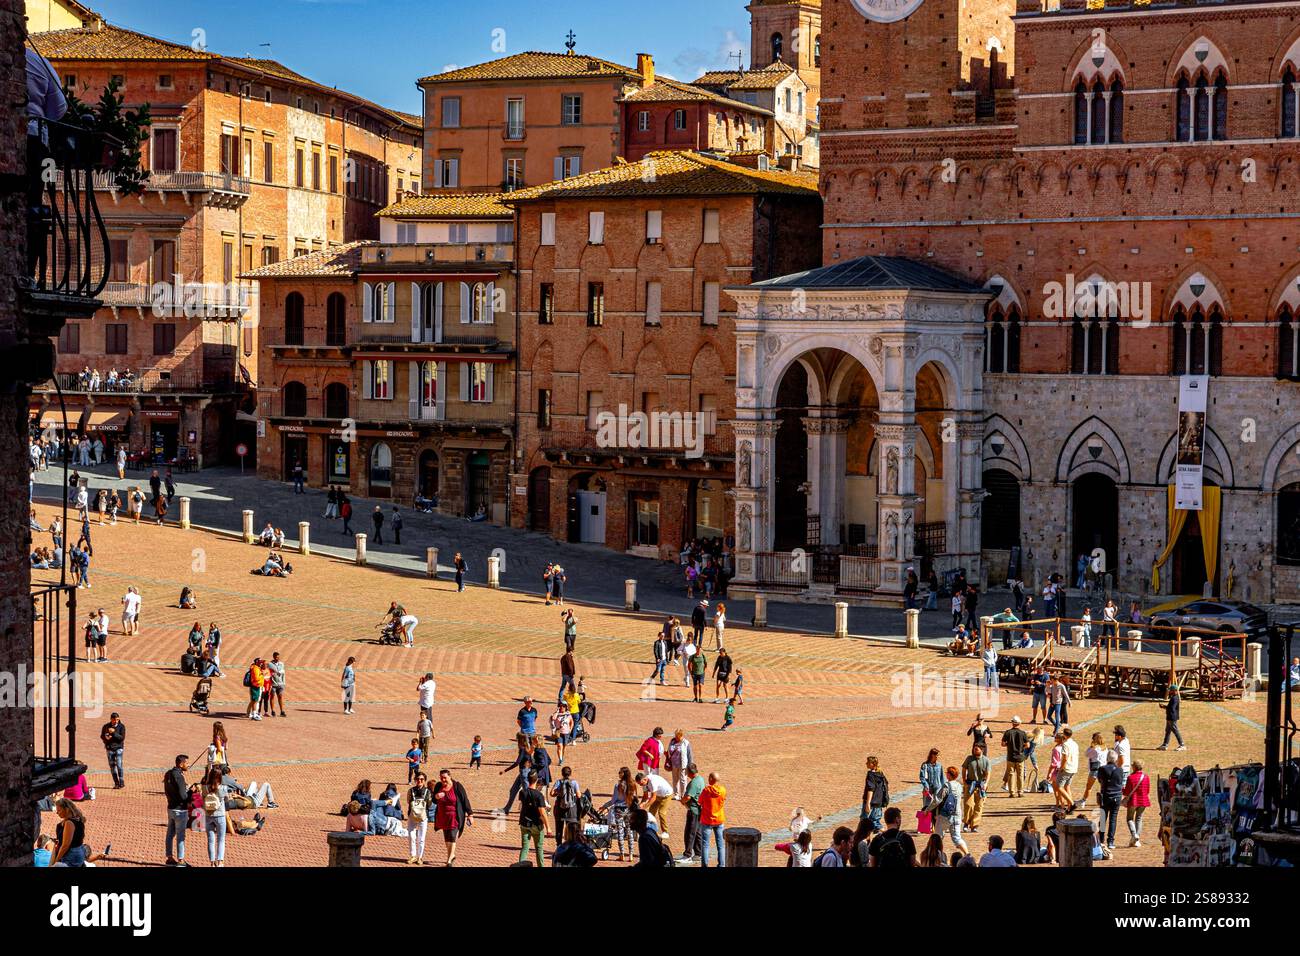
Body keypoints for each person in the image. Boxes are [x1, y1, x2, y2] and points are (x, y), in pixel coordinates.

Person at [430, 767, 473, 866]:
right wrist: (436, 797)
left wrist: (470, 814)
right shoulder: (438, 786)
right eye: (441, 778)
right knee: (447, 838)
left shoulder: (457, 786)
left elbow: (465, 800)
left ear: (450, 776)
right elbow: (434, 800)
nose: (443, 780)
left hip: (454, 816)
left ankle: (449, 860)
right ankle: (452, 855)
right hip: (442, 816)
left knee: (453, 836)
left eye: (445, 777)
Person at [518, 771, 550, 867]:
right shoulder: (539, 795)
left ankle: (520, 866)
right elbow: (542, 813)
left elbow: (522, 805)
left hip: (524, 823)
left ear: (528, 779)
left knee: (524, 848)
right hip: (536, 825)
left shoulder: (522, 792)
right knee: (539, 849)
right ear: (536, 780)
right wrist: (548, 827)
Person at [1096, 749, 1125, 853]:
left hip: (1106, 795)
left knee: (1103, 818)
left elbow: (1099, 780)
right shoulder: (1120, 770)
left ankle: (1101, 840)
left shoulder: (1102, 769)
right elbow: (1121, 781)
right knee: (1113, 819)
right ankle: (1111, 842)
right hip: (1117, 795)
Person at [935, 765, 968, 853]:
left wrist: (927, 810)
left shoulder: (946, 785)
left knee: (937, 838)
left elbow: (937, 800)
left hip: (945, 815)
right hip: (957, 815)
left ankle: (938, 857)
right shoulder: (959, 786)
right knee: (957, 838)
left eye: (947, 773)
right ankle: (968, 854)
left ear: (949, 775)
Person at [637, 769, 674, 843]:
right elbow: (645, 796)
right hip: (658, 795)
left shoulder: (652, 782)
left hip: (666, 795)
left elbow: (653, 798)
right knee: (651, 813)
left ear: (645, 779)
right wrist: (641, 804)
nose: (641, 785)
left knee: (662, 812)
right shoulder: (644, 783)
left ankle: (665, 832)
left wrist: (644, 807)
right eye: (639, 784)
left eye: (641, 783)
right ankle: (650, 829)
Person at [698, 772, 727, 868]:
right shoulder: (722, 790)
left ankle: (705, 865)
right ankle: (721, 864)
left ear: (710, 779)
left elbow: (700, 801)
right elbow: (724, 799)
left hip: (707, 820)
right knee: (721, 844)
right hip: (719, 820)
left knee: (705, 845)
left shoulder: (706, 790)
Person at [201, 767, 229, 866]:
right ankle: (220, 861)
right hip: (220, 815)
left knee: (210, 840)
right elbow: (226, 800)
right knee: (221, 839)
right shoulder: (223, 788)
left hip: (208, 815)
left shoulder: (205, 787)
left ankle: (212, 863)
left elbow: (202, 798)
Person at [551, 764, 583, 844]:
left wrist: (559, 793)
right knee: (572, 828)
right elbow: (579, 795)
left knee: (559, 828)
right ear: (570, 773)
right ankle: (571, 844)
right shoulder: (574, 782)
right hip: (571, 809)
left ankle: (559, 845)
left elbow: (551, 793)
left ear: (562, 773)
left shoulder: (559, 782)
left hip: (560, 808)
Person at [1123, 759, 1151, 848]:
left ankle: (1134, 835)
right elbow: (1147, 790)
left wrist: (1121, 789)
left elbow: (1126, 792)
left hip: (1133, 801)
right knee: (1139, 818)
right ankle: (1137, 838)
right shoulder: (1146, 777)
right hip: (1143, 800)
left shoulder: (1130, 777)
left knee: (1129, 819)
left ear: (1134, 767)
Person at [961, 744, 989, 833]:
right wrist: (964, 780)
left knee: (979, 806)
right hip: (970, 785)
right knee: (968, 804)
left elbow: (988, 773)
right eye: (974, 749)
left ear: (982, 750)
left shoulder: (986, 760)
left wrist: (986, 784)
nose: (975, 750)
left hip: (980, 785)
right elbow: (964, 769)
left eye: (977, 749)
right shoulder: (969, 758)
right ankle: (966, 823)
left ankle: (975, 825)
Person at [406, 771, 432, 864]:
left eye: (422, 779)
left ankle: (420, 857)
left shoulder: (427, 792)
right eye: (417, 779)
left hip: (423, 816)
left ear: (424, 781)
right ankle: (413, 855)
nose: (419, 781)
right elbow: (408, 801)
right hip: (412, 816)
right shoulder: (411, 790)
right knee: (411, 836)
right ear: (415, 780)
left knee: (421, 838)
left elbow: (429, 804)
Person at [1001, 715, 1029, 798]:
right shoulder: (1023, 733)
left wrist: (1009, 745)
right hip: (1020, 757)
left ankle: (1012, 792)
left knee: (1011, 775)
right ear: (1019, 723)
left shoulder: (1007, 732)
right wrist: (1021, 747)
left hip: (1010, 757)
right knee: (1020, 775)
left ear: (1012, 723)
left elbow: (1002, 744)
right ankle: (1020, 792)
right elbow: (1027, 745)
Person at [861, 755, 889, 833]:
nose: (866, 763)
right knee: (875, 821)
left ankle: (888, 834)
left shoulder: (871, 775)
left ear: (872, 764)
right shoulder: (880, 773)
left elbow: (870, 789)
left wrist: (868, 803)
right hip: (878, 802)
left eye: (868, 762)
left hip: (872, 802)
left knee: (866, 821)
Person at [1157, 684, 1186, 750]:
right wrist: (1164, 706)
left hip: (1172, 717)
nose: (1169, 691)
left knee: (1175, 731)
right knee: (1168, 731)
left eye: (1171, 690)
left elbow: (1172, 708)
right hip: (1170, 717)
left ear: (1174, 691)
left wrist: (1165, 707)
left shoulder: (1174, 698)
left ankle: (1182, 745)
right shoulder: (1174, 698)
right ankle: (1165, 745)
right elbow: (1170, 707)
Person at [666, 729, 693, 798]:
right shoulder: (672, 741)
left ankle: (683, 794)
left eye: (678, 737)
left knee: (683, 780)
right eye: (676, 736)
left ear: (682, 736)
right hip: (674, 764)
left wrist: (690, 765)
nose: (676, 738)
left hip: (683, 764)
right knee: (675, 779)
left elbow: (690, 755)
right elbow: (669, 750)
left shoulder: (686, 743)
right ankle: (676, 794)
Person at [100, 712, 125, 789]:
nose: (116, 721)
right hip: (110, 749)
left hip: (119, 749)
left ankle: (121, 781)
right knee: (112, 767)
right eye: (114, 720)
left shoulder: (121, 727)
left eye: (117, 719)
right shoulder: (106, 726)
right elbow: (102, 736)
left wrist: (113, 733)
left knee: (119, 765)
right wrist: (106, 739)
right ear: (111, 719)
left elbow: (121, 738)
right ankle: (116, 783)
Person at [266, 651, 286, 715]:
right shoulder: (270, 664)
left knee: (280, 696)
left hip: (280, 683)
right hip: (273, 684)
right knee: (272, 696)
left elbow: (283, 673)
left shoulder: (282, 664)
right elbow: (267, 672)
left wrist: (283, 683)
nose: (277, 658)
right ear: (273, 657)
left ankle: (282, 711)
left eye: (278, 657)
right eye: (276, 657)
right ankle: (273, 710)